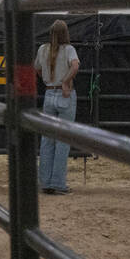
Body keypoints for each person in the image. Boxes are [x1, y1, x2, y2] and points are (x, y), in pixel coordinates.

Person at [35, 19, 79, 195]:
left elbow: (36, 68)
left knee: (47, 140)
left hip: (49, 93)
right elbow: (75, 65)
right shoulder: (69, 49)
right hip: (64, 95)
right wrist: (66, 81)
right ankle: (58, 183)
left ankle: (45, 182)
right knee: (63, 141)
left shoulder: (42, 49)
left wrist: (47, 79)